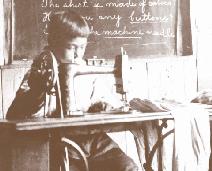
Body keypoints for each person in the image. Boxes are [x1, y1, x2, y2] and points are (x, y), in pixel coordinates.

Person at [6, 10, 139, 171]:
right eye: (71, 47)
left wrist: (103, 105)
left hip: (94, 140)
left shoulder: (84, 70)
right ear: (54, 44)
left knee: (127, 167)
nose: (78, 54)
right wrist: (37, 93)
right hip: (58, 141)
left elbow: (104, 99)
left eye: (82, 47)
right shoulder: (39, 73)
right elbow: (15, 114)